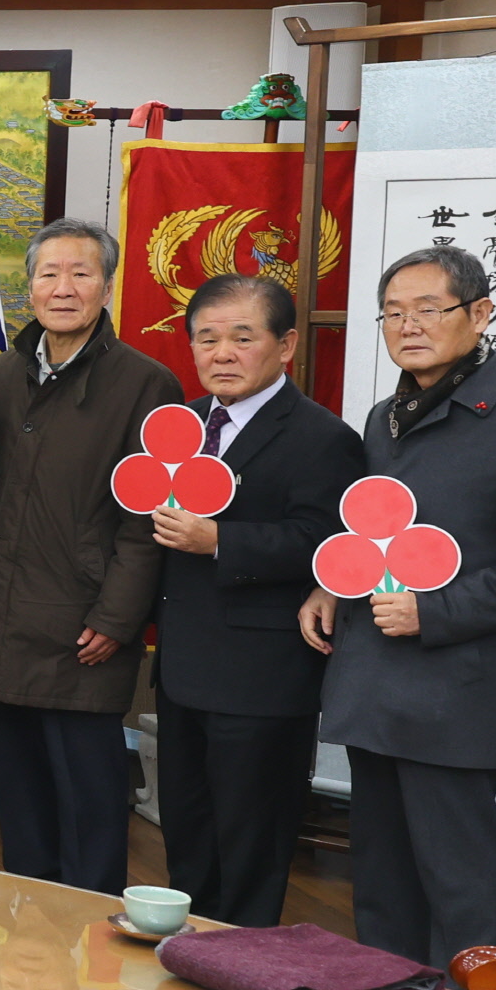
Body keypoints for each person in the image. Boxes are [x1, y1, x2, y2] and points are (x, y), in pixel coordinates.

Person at [302, 246, 496, 966]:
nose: (409, 326)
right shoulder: (382, 418)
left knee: (459, 878)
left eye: (430, 309)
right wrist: (332, 582)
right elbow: (374, 530)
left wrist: (435, 614)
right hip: (375, 679)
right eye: (394, 313)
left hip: (455, 692)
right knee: (379, 872)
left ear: (481, 314)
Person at [0, 218, 180, 897]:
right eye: (49, 274)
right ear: (27, 287)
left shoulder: (145, 383)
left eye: (81, 273)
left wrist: (117, 619)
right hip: (4, 619)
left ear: (107, 286)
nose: (64, 288)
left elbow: (148, 519)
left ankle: (91, 939)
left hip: (84, 626)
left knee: (88, 797)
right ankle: (30, 927)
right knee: (19, 791)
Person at [149, 274, 364, 927]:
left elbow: (326, 541)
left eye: (243, 338)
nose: (222, 354)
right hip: (182, 669)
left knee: (251, 844)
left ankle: (241, 971)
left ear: (286, 344)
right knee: (185, 833)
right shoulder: (178, 426)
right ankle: (183, 953)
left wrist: (221, 541)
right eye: (207, 339)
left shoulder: (323, 437)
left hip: (264, 680)